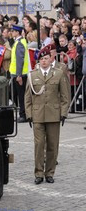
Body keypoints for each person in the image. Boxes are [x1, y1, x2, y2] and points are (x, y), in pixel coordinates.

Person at [25, 48, 69, 184]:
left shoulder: (59, 74)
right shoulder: (32, 75)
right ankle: (38, 173)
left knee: (52, 145)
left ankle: (49, 172)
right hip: (37, 114)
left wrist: (63, 113)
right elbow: (28, 97)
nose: (44, 61)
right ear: (39, 61)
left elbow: (65, 96)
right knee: (39, 145)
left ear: (51, 59)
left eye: (46, 58)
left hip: (53, 114)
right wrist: (28, 114)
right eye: (41, 59)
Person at [10, 24, 30, 123]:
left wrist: (19, 75)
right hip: (17, 74)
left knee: (21, 96)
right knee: (17, 95)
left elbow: (20, 60)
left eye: (13, 31)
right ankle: (22, 114)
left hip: (19, 75)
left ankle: (23, 115)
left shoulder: (20, 43)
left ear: (17, 32)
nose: (12, 32)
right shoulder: (19, 42)